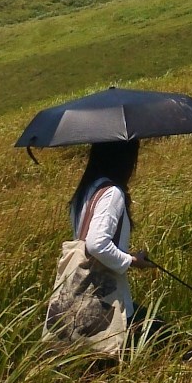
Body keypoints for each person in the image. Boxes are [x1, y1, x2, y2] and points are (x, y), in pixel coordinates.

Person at [69, 139, 151, 327]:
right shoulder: (112, 192)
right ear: (123, 158)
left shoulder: (85, 190)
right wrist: (132, 261)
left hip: (81, 295)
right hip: (107, 299)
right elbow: (96, 244)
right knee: (162, 332)